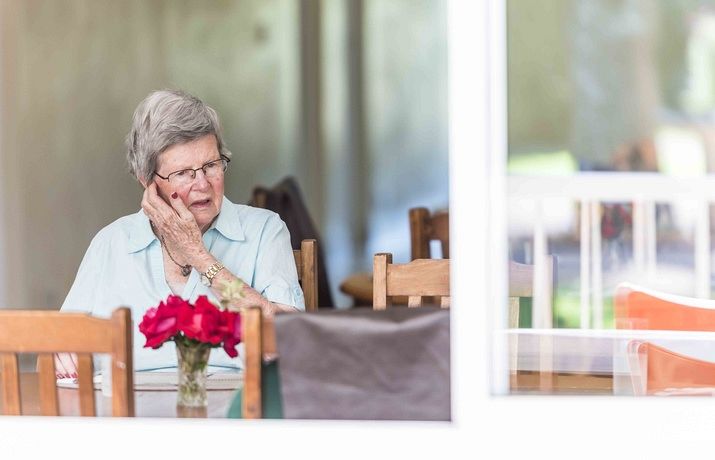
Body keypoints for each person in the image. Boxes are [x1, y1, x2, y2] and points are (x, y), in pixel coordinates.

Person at [55, 89, 304, 378]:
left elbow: (292, 341)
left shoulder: (264, 231)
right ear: (148, 182)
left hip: (236, 403)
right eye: (183, 173)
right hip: (129, 405)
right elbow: (55, 348)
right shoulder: (111, 243)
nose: (203, 184)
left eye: (211, 165)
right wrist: (59, 356)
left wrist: (200, 258)